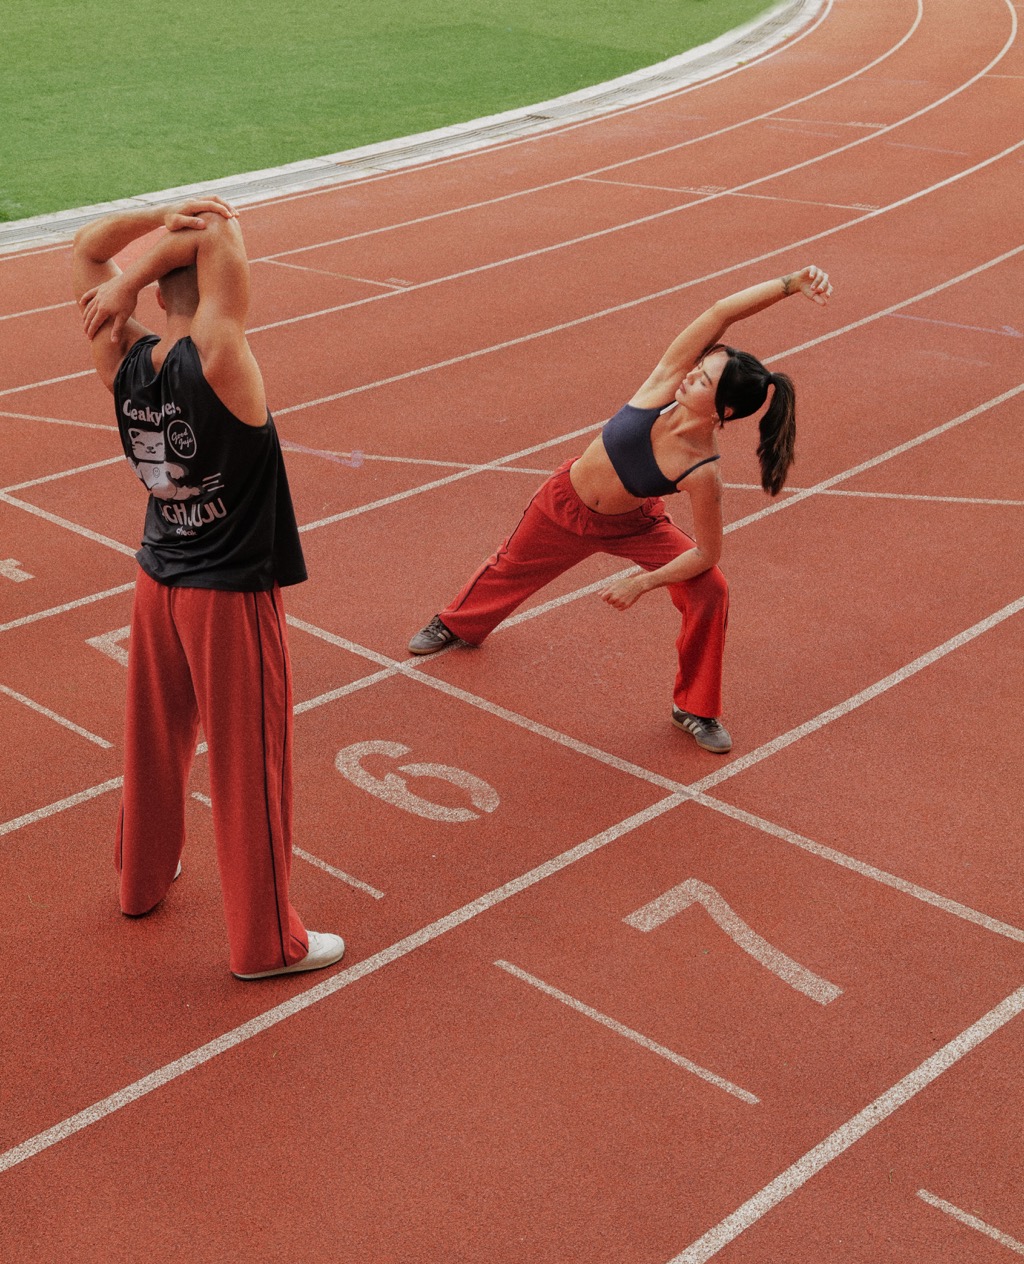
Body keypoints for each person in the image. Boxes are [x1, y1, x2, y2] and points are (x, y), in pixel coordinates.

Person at [73, 197, 345, 979]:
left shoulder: (122, 356)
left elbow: (90, 247)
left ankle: (140, 881)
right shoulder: (223, 354)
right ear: (221, 289)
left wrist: (134, 256)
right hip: (228, 592)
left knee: (152, 745)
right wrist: (166, 251)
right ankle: (267, 944)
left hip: (156, 576)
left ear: (159, 293)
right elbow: (222, 231)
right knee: (249, 763)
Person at [408, 265, 833, 753]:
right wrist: (788, 286)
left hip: (633, 526)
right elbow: (721, 313)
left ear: (724, 412)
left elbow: (708, 553)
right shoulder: (664, 383)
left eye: (703, 381)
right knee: (509, 568)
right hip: (564, 503)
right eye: (699, 367)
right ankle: (458, 624)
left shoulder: (702, 471)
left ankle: (695, 707)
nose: (691, 373)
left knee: (710, 589)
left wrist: (644, 581)